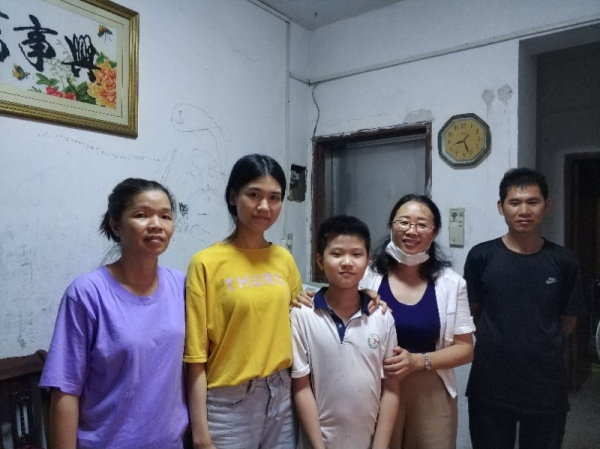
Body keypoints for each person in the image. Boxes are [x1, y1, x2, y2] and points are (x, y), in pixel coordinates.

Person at [39, 178, 189, 449]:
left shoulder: (183, 286)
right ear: (115, 225)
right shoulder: (87, 293)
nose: (156, 224)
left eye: (165, 216)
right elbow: (66, 389)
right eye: (141, 215)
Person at [184, 154, 302, 449]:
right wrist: (200, 433)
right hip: (229, 403)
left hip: (282, 396)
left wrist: (364, 296)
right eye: (254, 195)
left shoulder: (284, 259)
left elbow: (301, 316)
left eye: (274, 197)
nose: (264, 207)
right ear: (233, 196)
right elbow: (195, 357)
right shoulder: (205, 263)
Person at [464, 167, 585, 449]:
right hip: (490, 384)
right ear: (501, 207)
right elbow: (473, 312)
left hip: (546, 385)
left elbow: (568, 320)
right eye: (515, 202)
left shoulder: (564, 261)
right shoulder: (481, 256)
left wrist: (540, 343)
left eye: (533, 202)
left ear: (547, 205)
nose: (524, 211)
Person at [359, 194, 474, 449]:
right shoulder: (367, 275)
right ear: (391, 226)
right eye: (404, 222)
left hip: (430, 388)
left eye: (422, 224)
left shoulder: (451, 283)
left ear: (434, 232)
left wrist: (417, 361)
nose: (411, 231)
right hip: (375, 385)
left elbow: (465, 348)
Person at [291, 215, 400, 449]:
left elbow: (391, 388)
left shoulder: (382, 317)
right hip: (316, 442)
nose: (347, 262)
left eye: (356, 254)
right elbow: (301, 387)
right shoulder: (302, 315)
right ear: (320, 261)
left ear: (368, 261)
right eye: (337, 254)